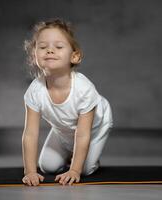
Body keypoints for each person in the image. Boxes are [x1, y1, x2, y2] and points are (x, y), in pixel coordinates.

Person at [21, 18, 113, 186]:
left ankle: (88, 159)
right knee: (47, 167)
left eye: (58, 47)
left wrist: (74, 170)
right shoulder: (35, 90)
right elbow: (30, 134)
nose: (49, 50)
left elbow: (83, 133)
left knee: (84, 169)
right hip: (64, 126)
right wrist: (30, 171)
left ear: (74, 56)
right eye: (42, 47)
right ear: (35, 56)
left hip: (94, 127)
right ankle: (70, 152)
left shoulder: (83, 89)